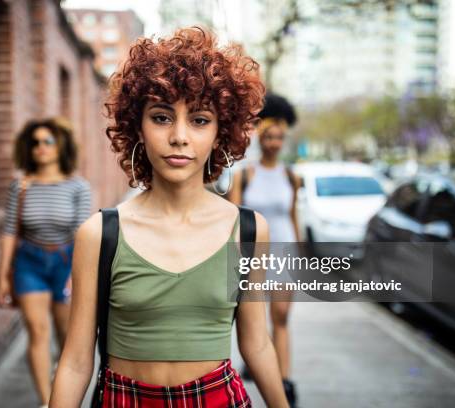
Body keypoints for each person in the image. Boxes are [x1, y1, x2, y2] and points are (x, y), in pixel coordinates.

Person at [50, 27, 290, 407]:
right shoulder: (100, 233)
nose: (179, 136)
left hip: (218, 399)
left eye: (199, 120)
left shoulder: (247, 230)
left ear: (220, 132)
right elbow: (77, 361)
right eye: (162, 118)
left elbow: (257, 343)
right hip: (124, 399)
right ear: (138, 128)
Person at [0, 117, 92, 408]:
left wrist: (78, 272)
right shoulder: (20, 185)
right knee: (37, 332)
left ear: (61, 145)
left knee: (66, 335)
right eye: (35, 142)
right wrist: (1, 276)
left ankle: (66, 394)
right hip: (29, 263)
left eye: (47, 141)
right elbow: (10, 231)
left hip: (65, 261)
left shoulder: (78, 186)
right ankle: (47, 402)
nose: (41, 147)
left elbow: (83, 232)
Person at [228, 93, 301, 407]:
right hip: (253, 254)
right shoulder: (245, 175)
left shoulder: (291, 177)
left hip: (284, 253)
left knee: (281, 317)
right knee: (252, 322)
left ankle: (283, 383)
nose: (274, 142)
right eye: (269, 136)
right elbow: (232, 219)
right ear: (261, 136)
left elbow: (295, 215)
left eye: (279, 137)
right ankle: (257, 365)